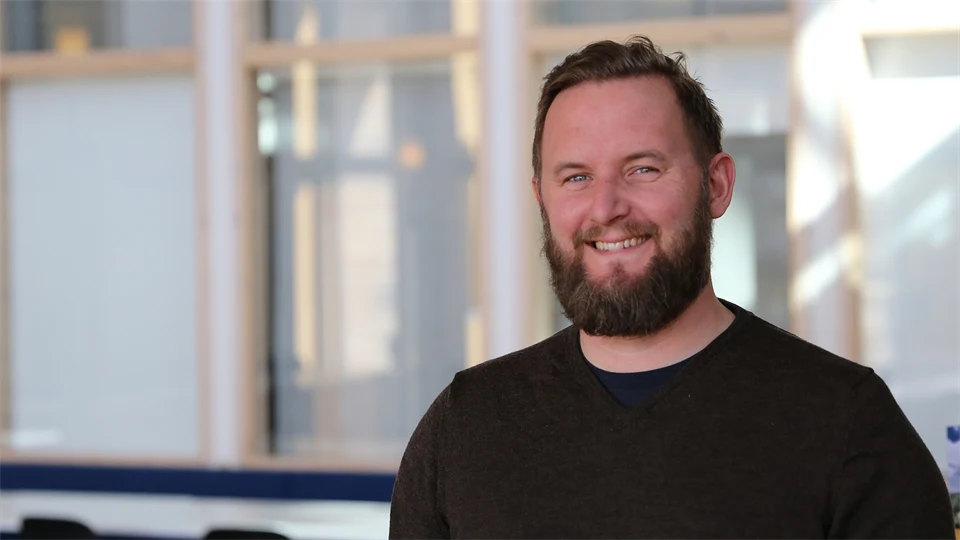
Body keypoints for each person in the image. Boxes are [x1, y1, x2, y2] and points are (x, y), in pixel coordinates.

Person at [389, 35, 955, 539]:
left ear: (716, 185)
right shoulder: (465, 427)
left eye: (643, 169)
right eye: (577, 177)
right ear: (542, 198)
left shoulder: (846, 423)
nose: (606, 208)